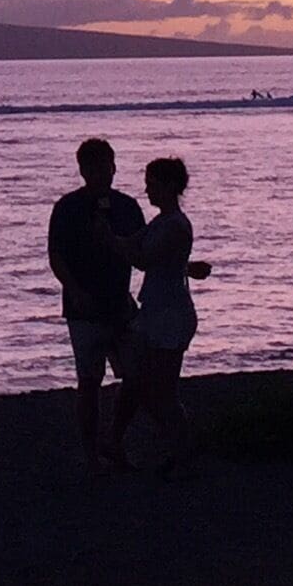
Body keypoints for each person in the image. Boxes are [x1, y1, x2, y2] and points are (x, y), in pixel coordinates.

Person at [106, 156, 211, 474]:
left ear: (170, 186)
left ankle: (182, 450)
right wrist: (111, 239)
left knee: (162, 391)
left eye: (152, 184)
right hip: (154, 311)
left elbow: (144, 259)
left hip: (170, 315)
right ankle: (117, 440)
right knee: (135, 380)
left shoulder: (176, 225)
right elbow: (135, 245)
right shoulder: (162, 221)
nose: (147, 190)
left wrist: (109, 241)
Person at [46, 136, 145, 470]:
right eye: (95, 167)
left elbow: (142, 251)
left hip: (120, 304)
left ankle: (113, 438)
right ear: (83, 170)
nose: (103, 173)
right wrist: (75, 291)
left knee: (137, 375)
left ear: (114, 167)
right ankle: (92, 454)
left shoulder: (127, 206)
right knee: (89, 382)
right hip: (84, 309)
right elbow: (56, 255)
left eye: (107, 166)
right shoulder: (67, 208)